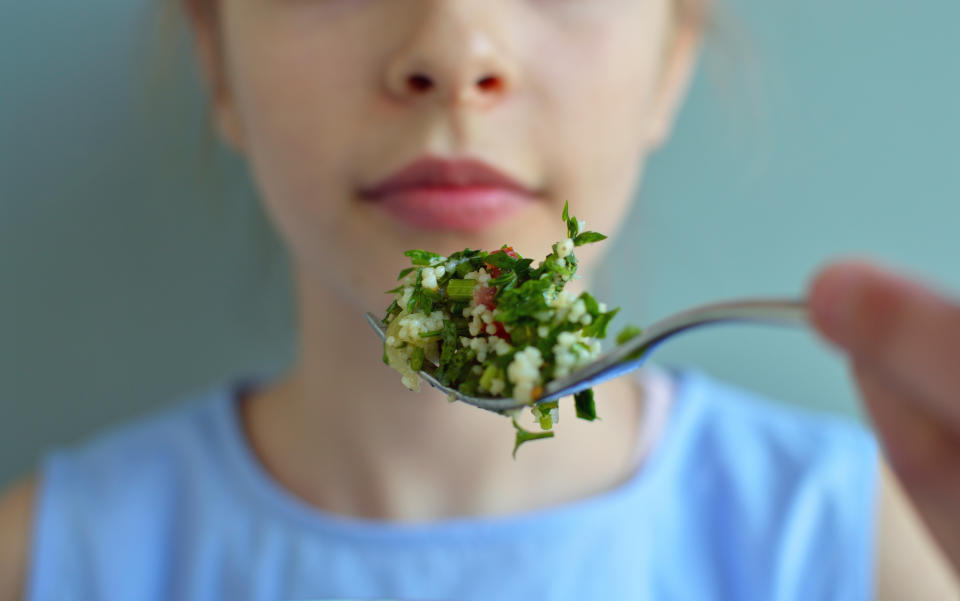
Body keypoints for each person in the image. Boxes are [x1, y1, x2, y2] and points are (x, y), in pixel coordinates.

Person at [1, 0, 959, 598]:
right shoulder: (48, 561)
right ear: (216, 58)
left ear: (672, 58)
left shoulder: (862, 546)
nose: (456, 50)